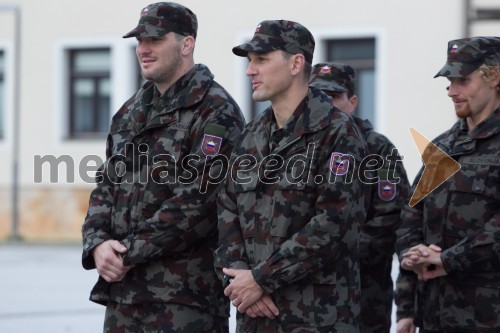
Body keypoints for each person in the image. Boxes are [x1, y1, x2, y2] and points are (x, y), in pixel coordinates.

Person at [81, 2, 245, 332]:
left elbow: (197, 203)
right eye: (140, 40)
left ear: (187, 44)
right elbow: (106, 184)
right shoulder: (131, 110)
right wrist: (97, 242)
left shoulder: (215, 111)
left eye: (155, 39)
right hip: (124, 297)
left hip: (183, 298)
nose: (143, 49)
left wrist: (125, 255)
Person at [214, 20, 369, 332]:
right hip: (255, 317)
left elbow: (335, 224)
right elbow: (227, 209)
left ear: (296, 63)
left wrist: (261, 279)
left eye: (261, 60)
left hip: (315, 318)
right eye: (249, 62)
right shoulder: (251, 135)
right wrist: (241, 278)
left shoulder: (337, 133)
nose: (250, 71)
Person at [396, 36, 500, 333]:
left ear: (494, 77)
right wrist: (412, 256)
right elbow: (411, 216)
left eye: (462, 80)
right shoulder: (443, 146)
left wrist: (448, 259)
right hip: (434, 316)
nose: (451, 91)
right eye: (449, 81)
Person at [309, 62, 411, 333]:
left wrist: (326, 257)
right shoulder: (303, 148)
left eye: (334, 97)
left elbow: (391, 219)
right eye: (318, 96)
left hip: (361, 295)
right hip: (305, 300)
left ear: (352, 101)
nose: (326, 104)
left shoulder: (378, 149)